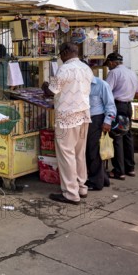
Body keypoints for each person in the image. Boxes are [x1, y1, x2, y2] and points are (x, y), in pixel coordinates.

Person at [42, 42, 93, 205]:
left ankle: (71, 193)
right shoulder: (86, 68)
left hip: (66, 118)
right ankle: (81, 187)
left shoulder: (64, 69)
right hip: (83, 115)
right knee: (79, 153)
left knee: (66, 155)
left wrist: (45, 86)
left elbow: (52, 91)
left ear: (64, 53)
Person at [104, 52, 138, 180]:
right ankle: (130, 168)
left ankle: (119, 171)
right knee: (127, 136)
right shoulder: (132, 73)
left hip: (117, 106)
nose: (108, 67)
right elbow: (137, 94)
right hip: (128, 107)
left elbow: (106, 91)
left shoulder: (114, 73)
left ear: (112, 62)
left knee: (117, 137)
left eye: (108, 64)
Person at [86, 75, 116, 190]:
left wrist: (108, 121)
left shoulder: (101, 84)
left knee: (93, 151)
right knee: (90, 151)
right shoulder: (80, 84)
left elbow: (110, 105)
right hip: (85, 120)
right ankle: (103, 179)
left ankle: (96, 183)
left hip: (96, 120)